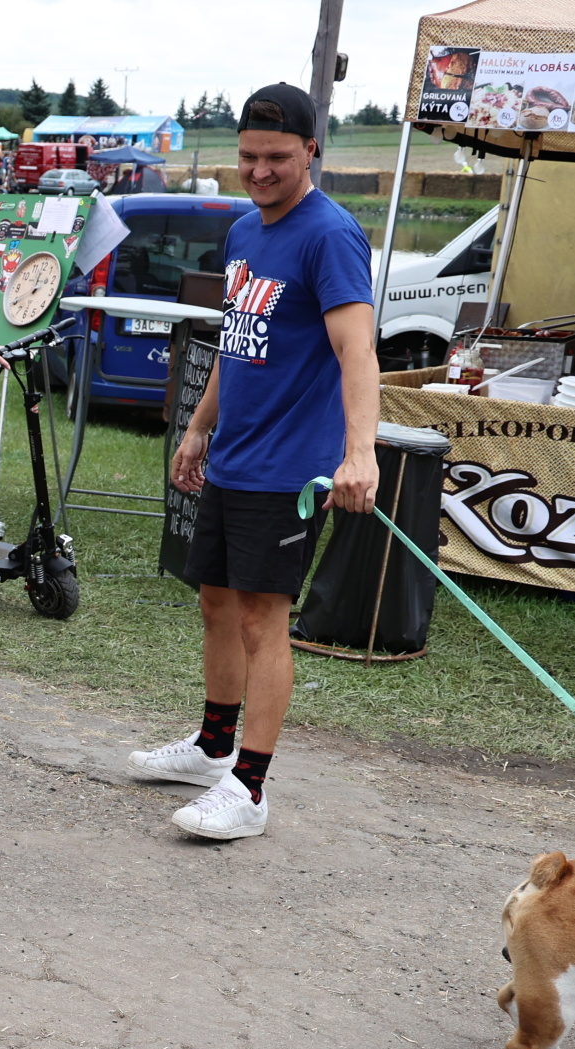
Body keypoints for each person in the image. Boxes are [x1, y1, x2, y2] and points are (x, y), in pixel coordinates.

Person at [128, 83, 378, 842]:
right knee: (215, 602)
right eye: (248, 156)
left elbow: (357, 351)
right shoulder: (243, 231)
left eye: (277, 157)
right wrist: (199, 427)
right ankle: (213, 747)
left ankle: (250, 788)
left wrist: (359, 453)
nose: (260, 171)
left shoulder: (330, 236)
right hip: (234, 455)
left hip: (290, 469)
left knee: (262, 618)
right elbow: (237, 344)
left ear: (311, 152)